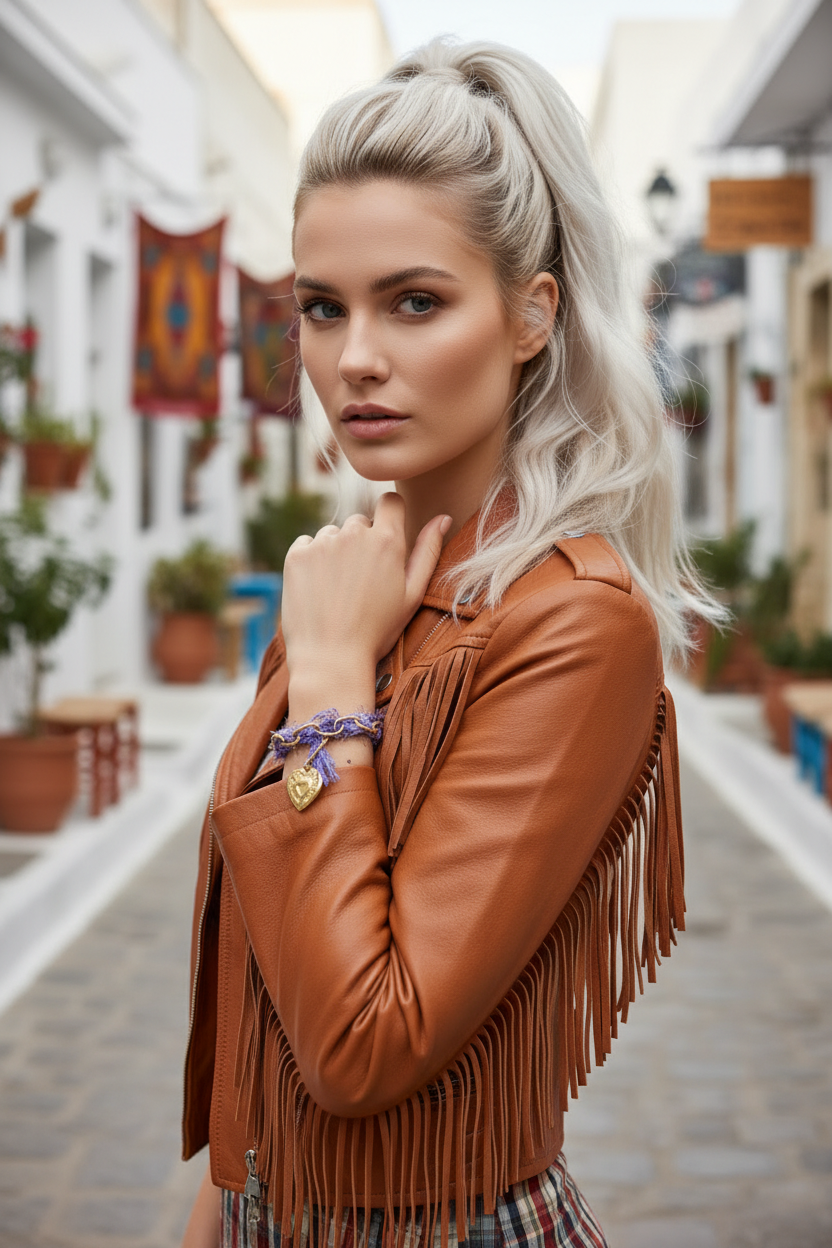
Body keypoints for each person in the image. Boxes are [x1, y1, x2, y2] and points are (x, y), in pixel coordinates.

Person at [181, 38, 719, 1248]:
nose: (353, 357)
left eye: (414, 301)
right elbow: (269, 999)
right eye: (322, 307)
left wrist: (324, 686)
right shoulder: (356, 584)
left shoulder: (571, 621)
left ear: (531, 315)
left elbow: (364, 1045)